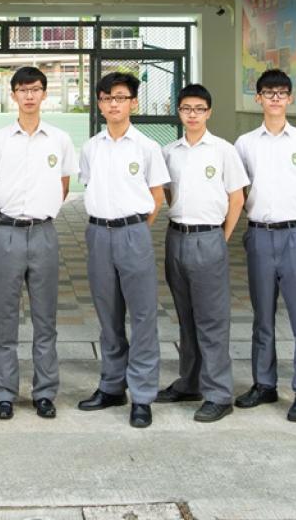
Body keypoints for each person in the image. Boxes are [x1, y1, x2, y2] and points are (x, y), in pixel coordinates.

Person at [0, 66, 78, 421]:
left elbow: (63, 184)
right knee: (4, 316)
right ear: (13, 95)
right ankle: (4, 392)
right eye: (23, 90)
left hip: (43, 233)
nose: (29, 95)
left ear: (44, 94)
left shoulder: (60, 140)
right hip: (7, 232)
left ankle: (45, 392)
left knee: (45, 317)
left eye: (35, 89)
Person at [233, 68, 296, 423]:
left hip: (295, 236)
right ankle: (264, 384)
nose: (275, 98)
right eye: (268, 93)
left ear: (290, 98)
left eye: (281, 93)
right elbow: (239, 191)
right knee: (262, 317)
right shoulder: (245, 143)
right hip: (260, 235)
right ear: (257, 98)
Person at [76, 71, 169, 429]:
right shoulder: (91, 147)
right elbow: (89, 184)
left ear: (133, 102)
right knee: (108, 314)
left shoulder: (147, 147)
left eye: (120, 97)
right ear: (99, 104)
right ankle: (112, 386)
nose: (113, 104)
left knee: (143, 316)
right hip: (99, 234)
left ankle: (142, 395)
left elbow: (157, 197)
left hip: (134, 233)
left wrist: (135, 229)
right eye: (106, 98)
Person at [156, 83, 249, 423]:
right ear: (178, 112)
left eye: (199, 109)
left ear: (209, 112)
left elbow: (237, 199)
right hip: (177, 237)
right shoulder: (170, 151)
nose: (192, 115)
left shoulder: (224, 150)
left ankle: (219, 393)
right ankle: (189, 382)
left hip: (209, 238)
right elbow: (169, 193)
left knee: (212, 320)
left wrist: (221, 237)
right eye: (186, 109)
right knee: (186, 317)